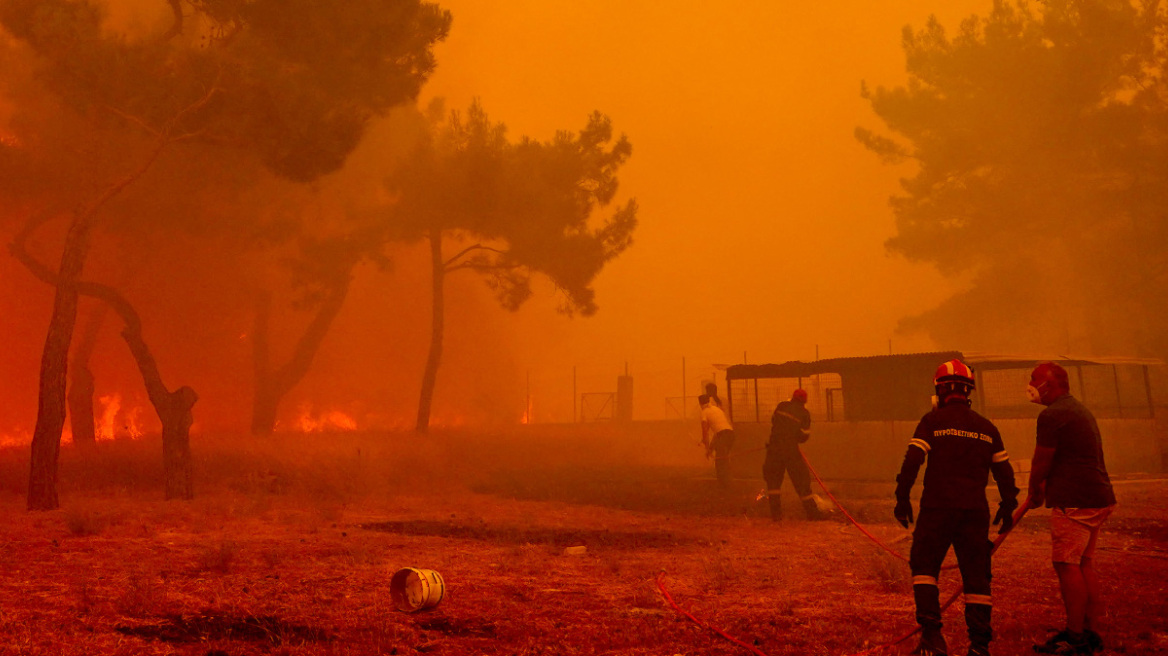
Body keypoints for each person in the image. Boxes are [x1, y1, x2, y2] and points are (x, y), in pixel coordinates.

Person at [894, 359, 1019, 656]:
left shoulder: (932, 422)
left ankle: (932, 639)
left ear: (940, 390)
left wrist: (901, 497)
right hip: (975, 512)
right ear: (968, 392)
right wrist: (1008, 504)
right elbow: (1004, 471)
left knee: (924, 568)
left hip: (937, 508)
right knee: (976, 577)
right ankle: (978, 647)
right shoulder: (986, 427)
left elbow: (913, 460)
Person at [1026, 362, 1116, 655]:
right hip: (1098, 496)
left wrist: (1033, 491)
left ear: (1049, 385)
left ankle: (1076, 638)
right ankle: (1089, 631)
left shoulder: (1053, 415)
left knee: (1066, 564)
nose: (1029, 384)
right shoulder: (1077, 408)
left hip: (1075, 500)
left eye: (1034, 379)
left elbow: (1042, 461)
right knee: (1083, 563)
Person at [763, 389, 825, 521]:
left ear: (792, 398)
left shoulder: (782, 406)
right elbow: (804, 436)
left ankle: (776, 516)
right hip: (791, 450)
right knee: (802, 481)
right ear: (805, 401)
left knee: (773, 483)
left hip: (774, 449)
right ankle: (813, 514)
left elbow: (774, 421)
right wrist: (793, 436)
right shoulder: (804, 413)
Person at [699, 393, 735, 489]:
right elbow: (717, 435)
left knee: (720, 461)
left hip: (724, 435)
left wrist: (706, 446)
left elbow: (705, 431)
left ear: (700, 404)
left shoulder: (704, 412)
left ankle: (724, 485)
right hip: (730, 434)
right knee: (723, 458)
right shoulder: (716, 409)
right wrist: (710, 449)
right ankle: (726, 482)